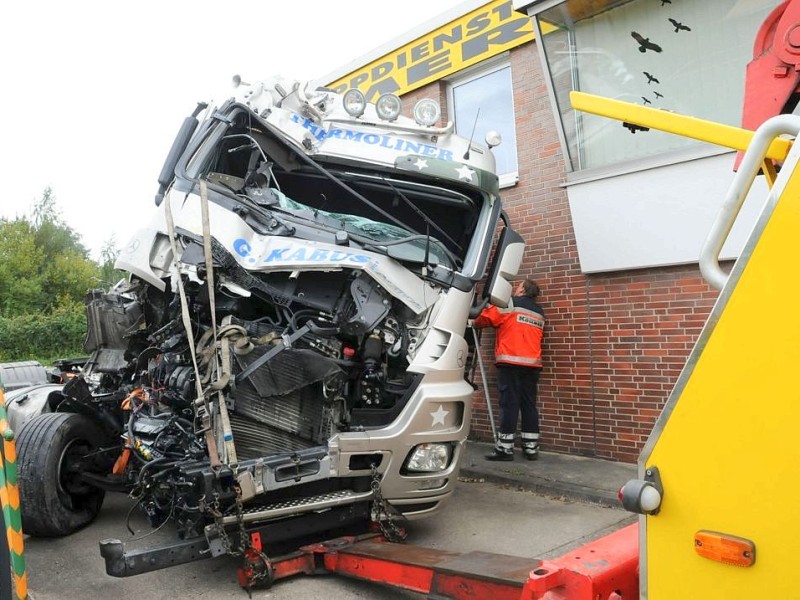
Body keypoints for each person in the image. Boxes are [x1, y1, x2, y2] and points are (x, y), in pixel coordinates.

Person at [473, 279, 545, 461]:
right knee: (529, 404)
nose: (515, 288)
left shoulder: (510, 303)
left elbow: (485, 319)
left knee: (509, 404)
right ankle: (531, 447)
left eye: (518, 285)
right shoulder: (539, 311)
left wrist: (475, 315)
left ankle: (505, 449)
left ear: (522, 289)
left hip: (510, 362)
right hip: (532, 365)